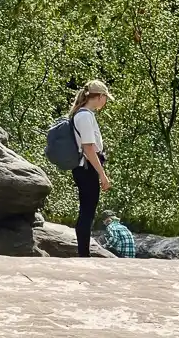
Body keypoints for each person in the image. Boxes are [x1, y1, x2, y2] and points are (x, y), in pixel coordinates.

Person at [69, 79, 112, 257]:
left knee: (87, 209)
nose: (106, 101)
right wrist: (102, 175)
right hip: (87, 168)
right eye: (105, 98)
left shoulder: (83, 114)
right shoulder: (85, 116)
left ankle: (83, 253)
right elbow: (88, 148)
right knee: (87, 211)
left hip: (85, 167)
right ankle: (83, 255)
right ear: (99, 96)